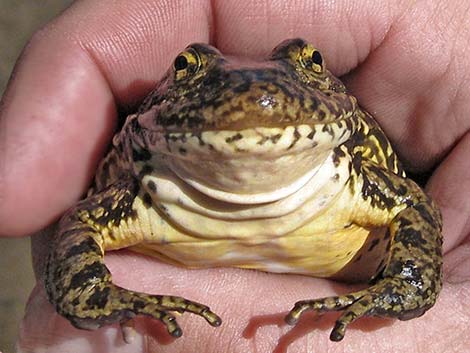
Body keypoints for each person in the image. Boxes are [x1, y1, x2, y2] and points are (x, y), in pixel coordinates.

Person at [1, 1, 468, 352]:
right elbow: (79, 228)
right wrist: (99, 298)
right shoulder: (141, 190)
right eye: (187, 70)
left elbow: (412, 206)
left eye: (310, 68)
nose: (257, 98)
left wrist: (407, 284)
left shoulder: (353, 175)